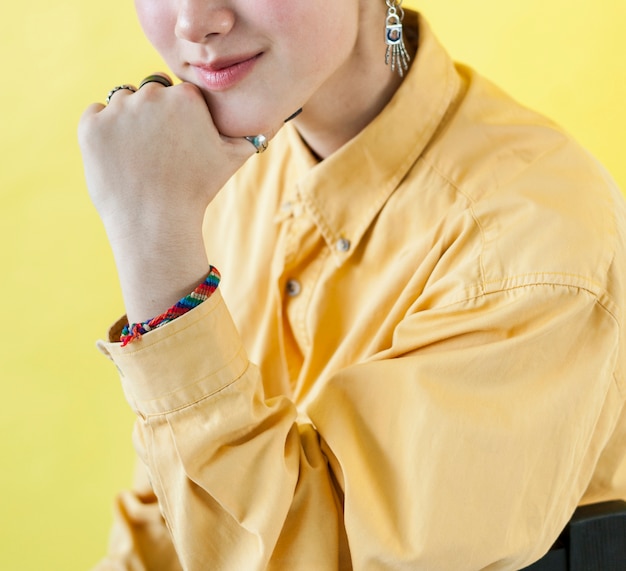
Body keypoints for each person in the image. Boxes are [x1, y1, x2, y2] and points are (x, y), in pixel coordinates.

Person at [78, 0, 626, 568]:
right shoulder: (221, 174)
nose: (193, 22)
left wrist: (155, 248)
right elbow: (166, 527)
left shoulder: (529, 242)